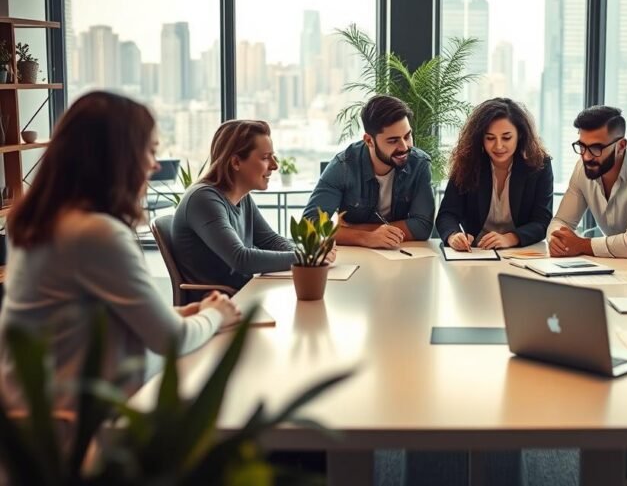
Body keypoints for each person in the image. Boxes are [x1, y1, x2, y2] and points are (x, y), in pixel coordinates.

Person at [0, 91, 240, 418]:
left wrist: (184, 314)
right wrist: (217, 315)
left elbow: (87, 323)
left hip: (30, 425)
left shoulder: (42, 223)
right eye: (150, 151)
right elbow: (170, 340)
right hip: (70, 434)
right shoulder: (96, 233)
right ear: (119, 156)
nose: (155, 164)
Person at [172, 120, 332, 300]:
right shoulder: (203, 200)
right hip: (218, 309)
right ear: (236, 162)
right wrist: (306, 257)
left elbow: (271, 240)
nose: (274, 165)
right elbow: (242, 259)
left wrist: (308, 254)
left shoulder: (242, 197)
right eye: (265, 158)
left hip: (246, 296)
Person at [304, 95, 435, 248]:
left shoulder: (419, 164)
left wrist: (349, 230)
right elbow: (310, 227)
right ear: (369, 141)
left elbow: (422, 227)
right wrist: (366, 238)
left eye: (407, 136)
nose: (404, 147)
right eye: (393, 140)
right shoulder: (343, 166)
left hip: (399, 253)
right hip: (354, 256)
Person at [547, 105, 627, 258]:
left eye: (596, 148)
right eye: (582, 146)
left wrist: (580, 244)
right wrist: (556, 240)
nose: (586, 156)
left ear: (621, 146)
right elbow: (561, 221)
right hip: (616, 266)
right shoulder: (583, 168)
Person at [436, 98, 553, 250]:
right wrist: (453, 236)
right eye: (490, 138)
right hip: (476, 252)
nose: (498, 146)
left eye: (506, 137)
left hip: (521, 252)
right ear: (480, 139)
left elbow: (542, 222)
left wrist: (510, 238)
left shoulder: (539, 165)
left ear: (520, 135)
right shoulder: (468, 163)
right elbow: (447, 214)